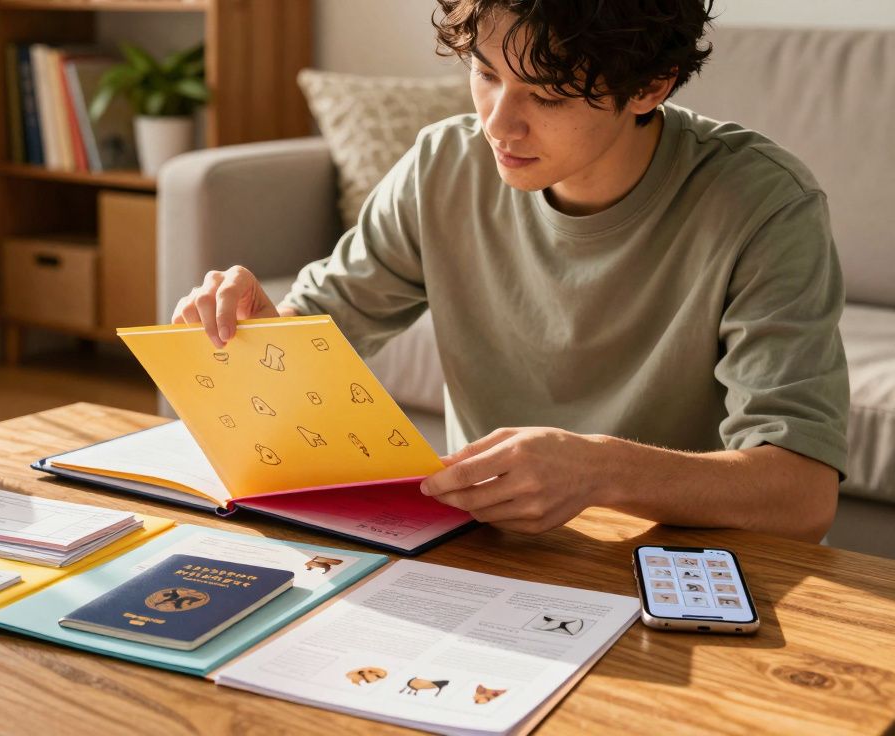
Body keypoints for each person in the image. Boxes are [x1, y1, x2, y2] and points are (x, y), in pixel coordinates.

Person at [171, 0, 848, 543]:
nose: (499, 125)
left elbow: (801, 491)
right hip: (477, 549)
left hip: (670, 562)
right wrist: (258, 336)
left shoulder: (764, 203)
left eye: (546, 95)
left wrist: (600, 470)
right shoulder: (443, 166)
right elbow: (323, 329)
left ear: (650, 86)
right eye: (485, 73)